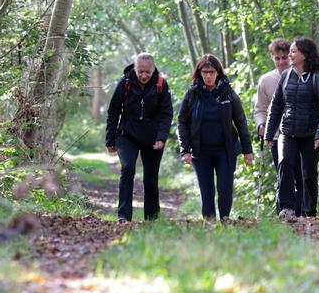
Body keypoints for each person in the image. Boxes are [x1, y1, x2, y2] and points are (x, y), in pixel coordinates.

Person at [177, 54, 253, 221]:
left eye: (211, 72)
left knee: (225, 188)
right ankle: (209, 223)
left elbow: (241, 122)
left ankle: (225, 219)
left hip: (225, 150)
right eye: (205, 72)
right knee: (207, 190)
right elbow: (182, 122)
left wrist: (247, 150)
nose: (208, 76)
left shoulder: (228, 93)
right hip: (200, 150)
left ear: (218, 72)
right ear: (199, 73)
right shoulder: (192, 94)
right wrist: (185, 150)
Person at [265, 37, 319, 220]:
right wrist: (269, 133)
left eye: (294, 51)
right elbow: (276, 105)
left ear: (305, 54)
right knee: (285, 163)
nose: (290, 55)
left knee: (308, 172)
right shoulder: (286, 75)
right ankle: (287, 208)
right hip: (287, 132)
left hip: (311, 134)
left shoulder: (317, 77)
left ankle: (309, 211)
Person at [105, 52, 173, 222]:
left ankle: (152, 219)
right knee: (127, 169)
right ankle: (123, 216)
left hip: (153, 138)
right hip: (127, 136)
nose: (144, 75)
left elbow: (166, 114)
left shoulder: (161, 85)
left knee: (151, 178)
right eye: (140, 71)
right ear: (135, 68)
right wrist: (110, 139)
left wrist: (161, 137)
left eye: (147, 72)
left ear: (153, 70)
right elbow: (114, 111)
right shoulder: (125, 82)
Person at [253, 38, 303, 215]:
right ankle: (284, 211)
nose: (281, 62)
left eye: (284, 57)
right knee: (284, 173)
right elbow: (259, 109)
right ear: (272, 58)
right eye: (277, 58)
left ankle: (302, 212)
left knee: (301, 175)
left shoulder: (302, 76)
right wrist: (261, 124)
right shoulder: (265, 81)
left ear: (291, 56)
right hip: (275, 136)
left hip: (301, 134)